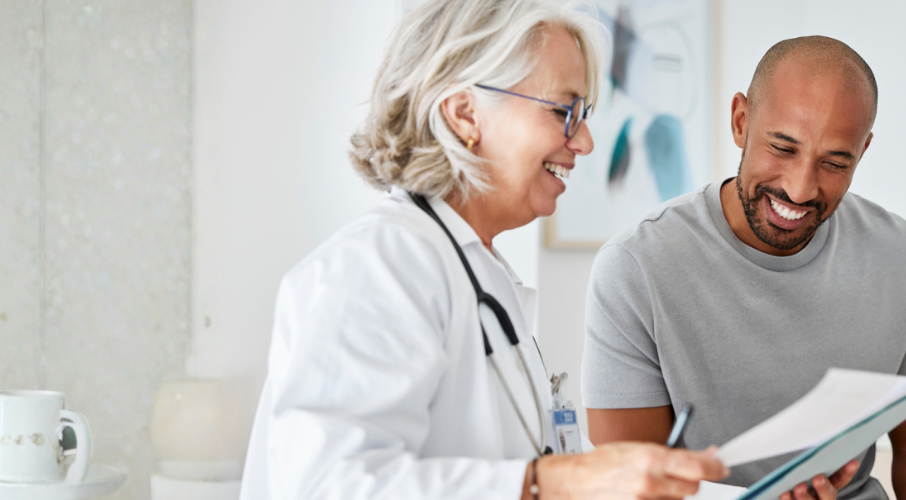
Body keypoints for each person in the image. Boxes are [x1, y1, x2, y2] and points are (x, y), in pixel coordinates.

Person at [239, 1, 726, 498]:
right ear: (465, 114)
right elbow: (328, 484)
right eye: (564, 111)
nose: (584, 142)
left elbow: (541, 458)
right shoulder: (374, 266)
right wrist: (550, 482)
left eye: (584, 114)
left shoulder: (480, 273)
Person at [581, 36, 906, 500]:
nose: (801, 189)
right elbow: (627, 483)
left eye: (834, 162)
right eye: (783, 148)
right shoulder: (637, 267)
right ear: (741, 122)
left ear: (862, 152)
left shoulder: (896, 253)